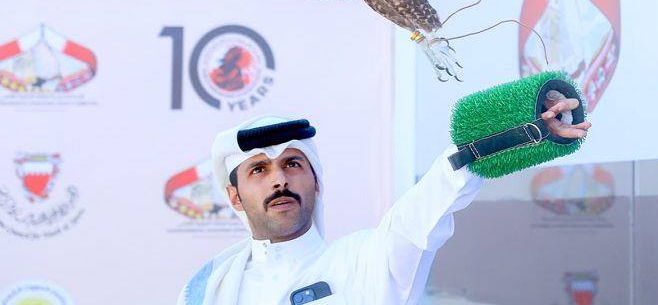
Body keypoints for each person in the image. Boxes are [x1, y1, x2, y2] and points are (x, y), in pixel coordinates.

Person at [177, 90, 591, 305]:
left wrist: (528, 124)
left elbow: (428, 204)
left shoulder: (365, 262)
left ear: (317, 183)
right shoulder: (206, 289)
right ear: (234, 197)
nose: (279, 180)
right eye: (258, 170)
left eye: (293, 164)